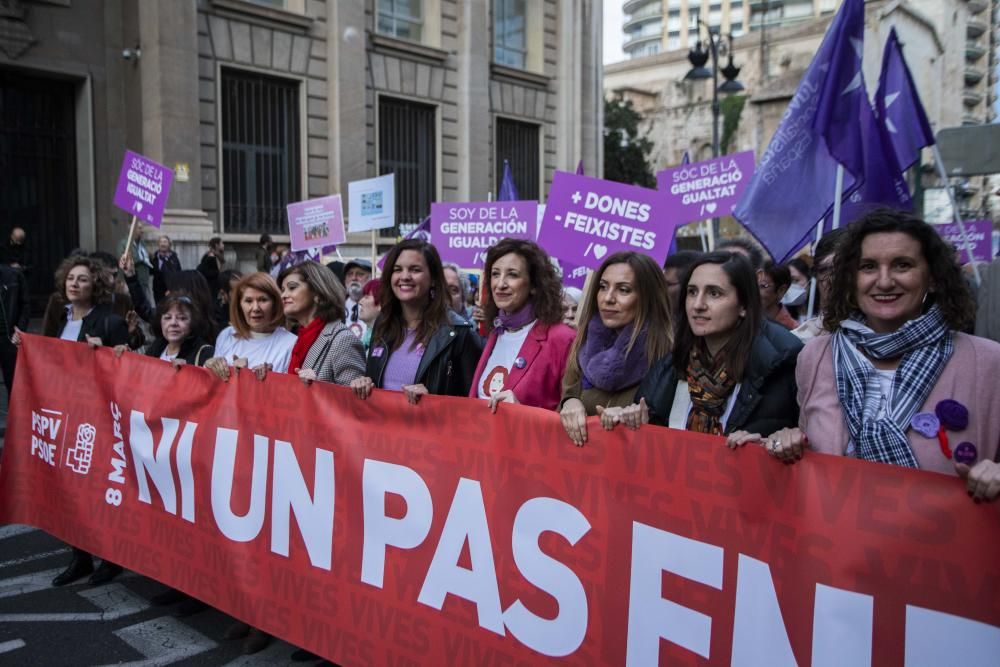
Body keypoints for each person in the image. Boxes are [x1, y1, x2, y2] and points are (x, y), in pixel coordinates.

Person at [765, 210, 1000, 502]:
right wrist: (778, 444)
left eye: (902, 265)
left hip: (945, 544)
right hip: (838, 542)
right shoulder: (815, 357)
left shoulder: (988, 363)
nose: (885, 281)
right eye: (868, 267)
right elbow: (807, 453)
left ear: (933, 278)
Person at [13, 255, 129, 587]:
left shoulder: (108, 320)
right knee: (70, 491)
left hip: (97, 420)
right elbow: (48, 354)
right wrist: (27, 346)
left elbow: (126, 364)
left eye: (82, 279)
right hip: (64, 417)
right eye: (70, 279)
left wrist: (105, 350)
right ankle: (80, 557)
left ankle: (111, 558)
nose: (74, 284)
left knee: (97, 489)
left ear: (96, 286)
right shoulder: (59, 317)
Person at [620, 251, 802, 442]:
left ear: (744, 304)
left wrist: (776, 443)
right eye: (692, 292)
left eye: (714, 293)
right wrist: (627, 419)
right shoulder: (669, 367)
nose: (698, 305)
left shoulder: (782, 363)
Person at [559, 252, 673, 446]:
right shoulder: (583, 345)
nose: (608, 298)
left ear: (648, 297)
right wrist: (569, 403)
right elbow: (569, 395)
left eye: (624, 290)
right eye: (603, 287)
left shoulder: (669, 357)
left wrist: (643, 423)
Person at [350, 240, 483, 402]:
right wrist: (363, 382)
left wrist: (433, 401)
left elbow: (473, 404)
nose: (405, 277)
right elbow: (374, 383)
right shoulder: (382, 324)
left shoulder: (459, 333)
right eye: (397, 269)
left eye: (415, 269)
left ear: (433, 278)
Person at [470, 239, 575, 412]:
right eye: (495, 274)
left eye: (512, 274)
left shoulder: (562, 338)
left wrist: (521, 413)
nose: (500, 284)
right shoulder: (496, 331)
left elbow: (569, 415)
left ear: (534, 284)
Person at [278, 261, 365, 386]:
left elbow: (353, 400)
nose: (284, 295)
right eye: (282, 290)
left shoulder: (343, 340)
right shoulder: (300, 339)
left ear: (317, 293)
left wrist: (319, 386)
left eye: (292, 287)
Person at [204, 272, 296, 382]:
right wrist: (209, 366)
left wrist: (267, 379)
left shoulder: (291, 343)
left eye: (263, 300)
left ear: (275, 304)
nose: (255, 308)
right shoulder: (226, 335)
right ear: (239, 305)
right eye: (248, 301)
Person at [792, 227, 846, 341]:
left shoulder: (884, 335)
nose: (833, 279)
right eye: (825, 270)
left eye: (842, 270)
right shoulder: (799, 341)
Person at [0, 260, 30, 398]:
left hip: (9, 337)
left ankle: (17, 417)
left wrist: (20, 329)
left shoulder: (13, 275)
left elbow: (25, 304)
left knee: (13, 383)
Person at [117, 222, 154, 304]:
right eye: (140, 228)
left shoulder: (143, 244)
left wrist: (150, 256)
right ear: (132, 230)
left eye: (142, 228)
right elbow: (123, 260)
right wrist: (141, 259)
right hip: (130, 280)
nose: (142, 231)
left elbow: (147, 258)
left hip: (144, 279)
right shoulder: (124, 243)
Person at [759, 260, 798, 329]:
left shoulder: (793, 330)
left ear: (781, 290)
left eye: (763, 286)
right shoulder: (744, 318)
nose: (755, 291)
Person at [343, 259, 373, 338]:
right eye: (350, 274)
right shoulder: (336, 306)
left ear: (371, 278)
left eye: (360, 274)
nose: (354, 278)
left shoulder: (377, 307)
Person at [151, 235, 182, 302]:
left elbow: (178, 274)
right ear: (158, 244)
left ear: (169, 244)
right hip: (158, 291)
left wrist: (172, 289)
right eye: (161, 242)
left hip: (170, 290)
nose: (163, 244)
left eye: (165, 242)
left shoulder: (174, 258)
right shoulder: (154, 258)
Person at [358, 278, 381, 352]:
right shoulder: (367, 338)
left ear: (380, 304)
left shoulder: (385, 341)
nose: (360, 302)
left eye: (366, 297)